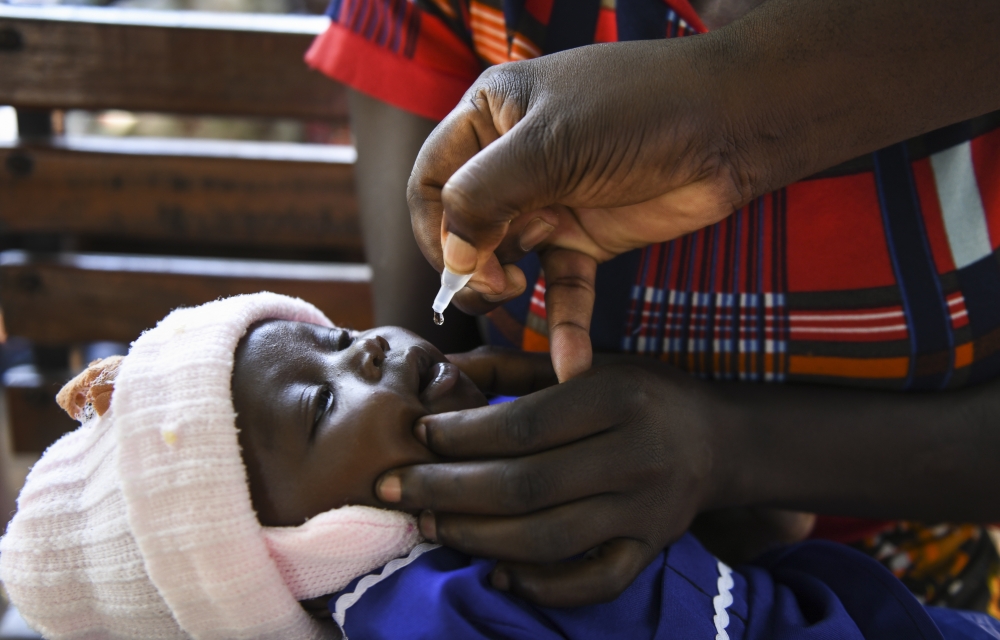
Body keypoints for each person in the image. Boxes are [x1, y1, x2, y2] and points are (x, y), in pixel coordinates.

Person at [305, 0, 1000, 615]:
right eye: (317, 380)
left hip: (903, 574)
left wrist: (733, 450)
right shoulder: (452, 605)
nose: (368, 349)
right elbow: (419, 361)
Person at [3, 291, 1000, 640]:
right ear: (283, 555)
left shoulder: (469, 478)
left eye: (337, 335)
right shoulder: (441, 610)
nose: (369, 355)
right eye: (318, 404)